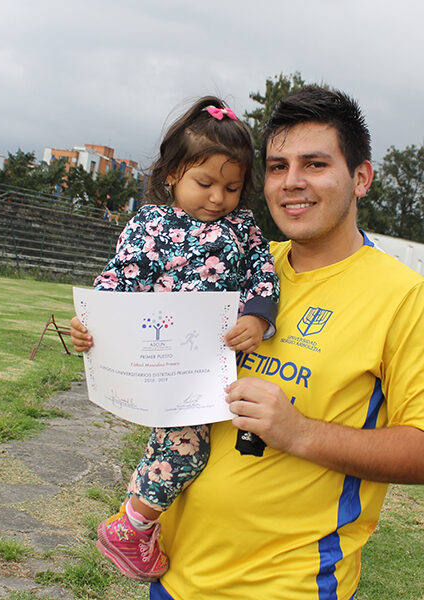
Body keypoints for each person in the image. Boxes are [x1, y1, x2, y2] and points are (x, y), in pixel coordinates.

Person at [72, 86, 424, 599]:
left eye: (315, 164)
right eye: (278, 166)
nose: (292, 182)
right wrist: (104, 341)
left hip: (286, 588)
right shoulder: (232, 261)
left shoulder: (404, 299)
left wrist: (300, 433)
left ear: (360, 177)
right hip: (175, 577)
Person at [78, 96, 280, 582]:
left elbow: (263, 276)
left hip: (213, 362)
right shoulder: (150, 225)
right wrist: (92, 328)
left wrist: (257, 317)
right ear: (171, 174)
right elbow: (118, 283)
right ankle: (130, 526)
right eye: (204, 183)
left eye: (232, 188)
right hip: (163, 363)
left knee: (180, 444)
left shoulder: (243, 227)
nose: (217, 199)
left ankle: (137, 522)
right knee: (186, 448)